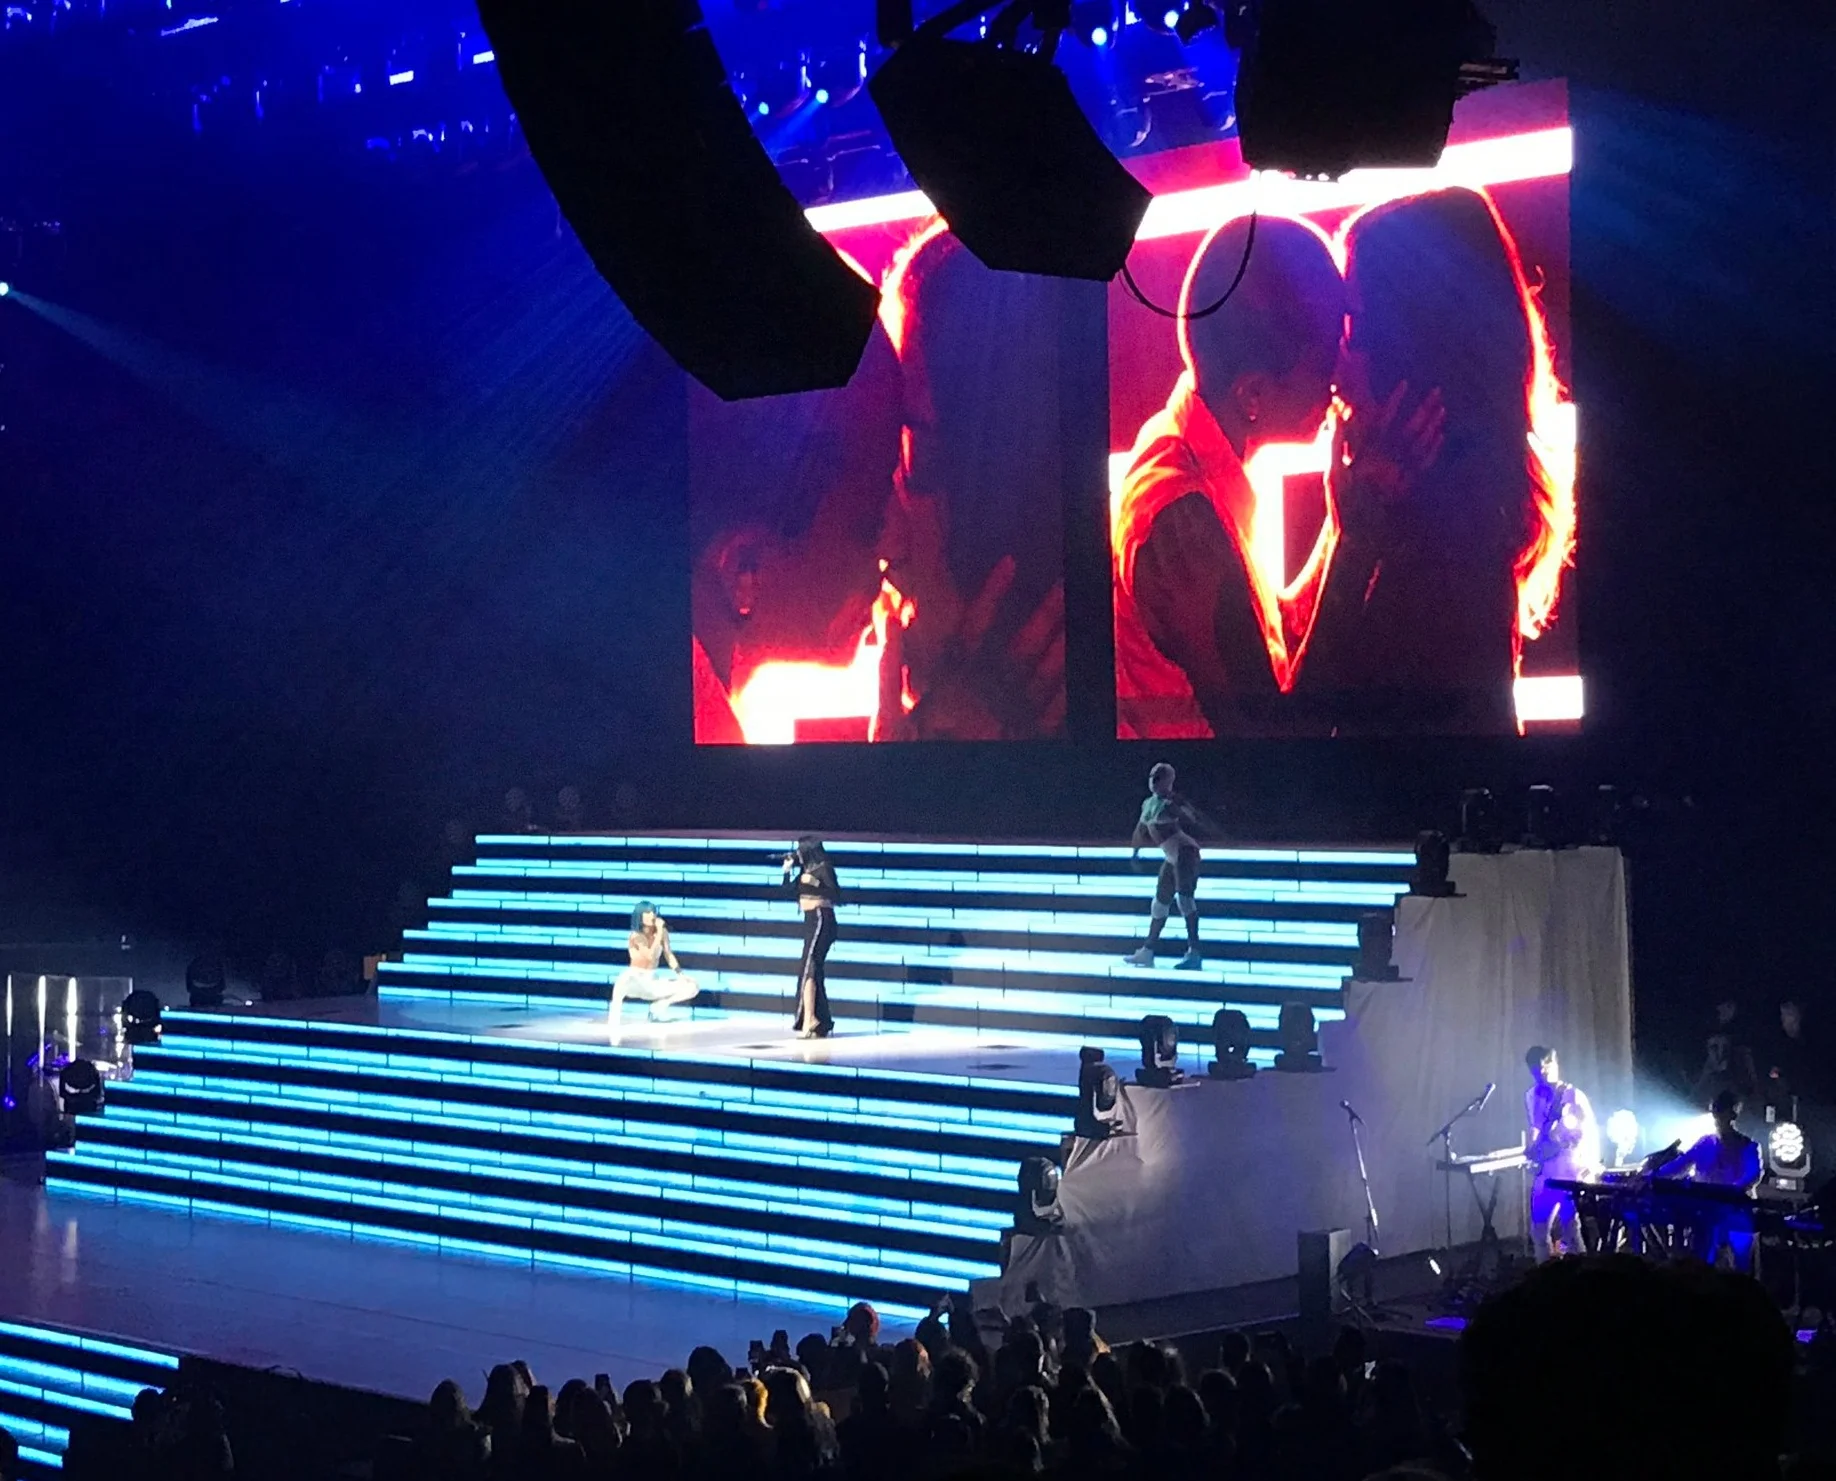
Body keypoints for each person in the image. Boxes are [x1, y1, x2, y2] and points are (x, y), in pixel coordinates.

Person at [1303, 188, 1536, 734]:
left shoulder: (1436, 563)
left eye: (1355, 327)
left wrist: (1352, 544)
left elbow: (1290, 740)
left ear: (1412, 346)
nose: (1337, 359)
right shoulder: (1462, 516)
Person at [1650, 1088, 1764, 1270]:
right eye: (1715, 1111)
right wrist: (1652, 1176)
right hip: (1705, 1214)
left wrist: (1729, 1193)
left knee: (1741, 1265)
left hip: (1736, 1213)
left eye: (1720, 1111)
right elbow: (1680, 1165)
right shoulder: (1704, 1143)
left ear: (1733, 1113)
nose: (1716, 1117)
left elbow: (1752, 1176)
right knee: (1702, 1261)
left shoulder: (1748, 1146)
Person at [1522, 1045, 1601, 1260]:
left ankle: (1581, 1272)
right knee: (1538, 1230)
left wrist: (1589, 1167)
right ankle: (1546, 1272)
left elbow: (1588, 1133)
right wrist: (1532, 1147)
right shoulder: (1531, 1096)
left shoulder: (1573, 1096)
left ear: (1553, 1065)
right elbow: (1536, 1126)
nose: (1541, 1074)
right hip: (1545, 1170)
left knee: (1571, 1229)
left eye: (1544, 1067)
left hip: (1570, 1170)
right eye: (1536, 1070)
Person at [1125, 763, 1206, 969]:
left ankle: (1194, 952)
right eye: (1152, 776)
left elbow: (1191, 817)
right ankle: (1148, 950)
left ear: (1168, 781)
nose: (1154, 780)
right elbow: (1140, 830)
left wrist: (1179, 804)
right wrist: (1135, 853)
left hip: (1185, 853)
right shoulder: (1149, 804)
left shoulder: (1170, 803)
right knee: (1160, 902)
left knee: (1185, 900)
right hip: (1172, 856)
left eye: (1159, 777)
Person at [609, 902, 700, 1027]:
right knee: (623, 981)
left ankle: (658, 1006)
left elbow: (668, 954)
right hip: (635, 979)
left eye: (653, 912)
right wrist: (659, 934)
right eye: (647, 912)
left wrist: (680, 974)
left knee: (692, 986)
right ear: (640, 915)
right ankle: (613, 1021)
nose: (652, 915)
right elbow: (649, 956)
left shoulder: (662, 933)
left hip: (651, 980)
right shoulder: (636, 936)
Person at [783, 837, 839, 1039]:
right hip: (810, 921)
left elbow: (835, 894)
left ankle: (809, 1020)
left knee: (810, 968)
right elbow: (788, 891)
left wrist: (813, 882)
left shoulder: (824, 868)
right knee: (812, 970)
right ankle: (818, 1020)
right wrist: (787, 871)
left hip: (821, 919)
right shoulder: (804, 871)